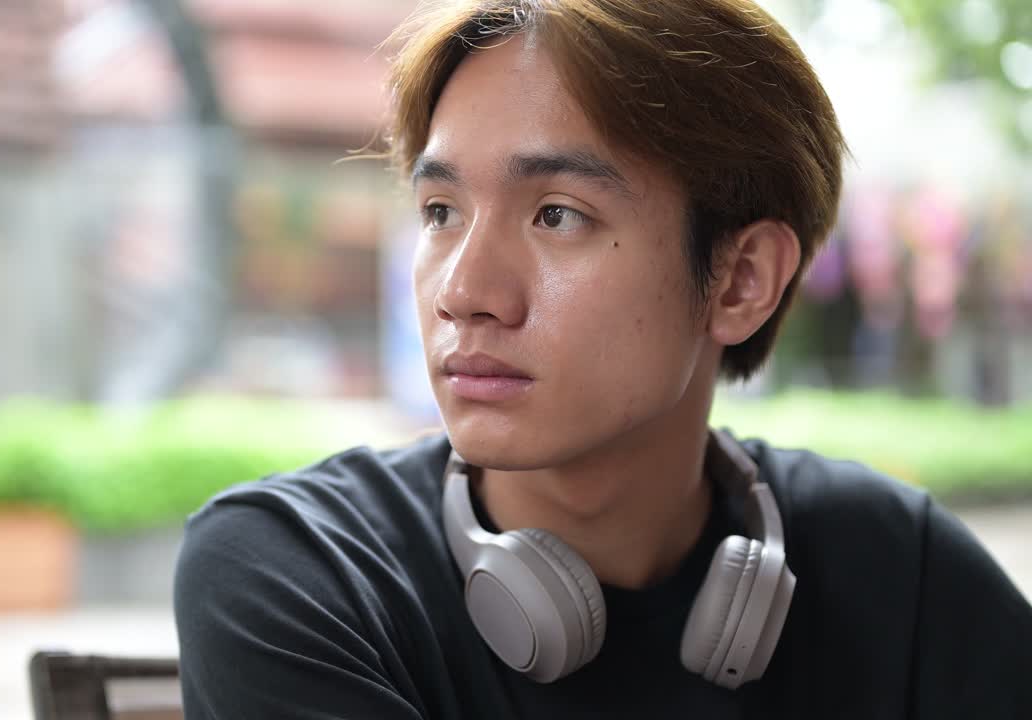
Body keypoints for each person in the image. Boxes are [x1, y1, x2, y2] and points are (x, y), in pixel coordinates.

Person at [173, 1, 1032, 717]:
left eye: (556, 214)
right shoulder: (301, 576)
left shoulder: (896, 574)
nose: (464, 289)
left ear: (739, 280)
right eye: (440, 211)